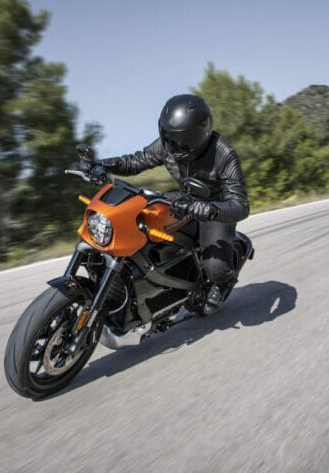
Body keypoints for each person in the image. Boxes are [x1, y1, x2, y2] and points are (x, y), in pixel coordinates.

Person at [98, 94, 250, 313]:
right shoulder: (167, 145)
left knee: (215, 268)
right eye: (168, 137)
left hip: (215, 208)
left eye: (180, 141)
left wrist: (210, 209)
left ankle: (222, 282)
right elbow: (135, 161)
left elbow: (241, 205)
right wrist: (103, 165)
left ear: (199, 135)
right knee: (141, 220)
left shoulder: (223, 154)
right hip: (183, 199)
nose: (172, 146)